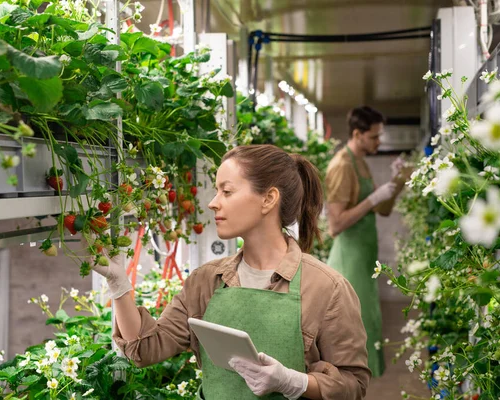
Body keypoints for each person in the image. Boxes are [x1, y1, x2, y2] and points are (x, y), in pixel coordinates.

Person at [91, 145, 370, 400]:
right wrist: (118, 285)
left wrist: (292, 381)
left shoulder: (326, 288)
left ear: (268, 199)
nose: (213, 202)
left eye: (227, 191)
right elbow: (145, 349)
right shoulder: (207, 281)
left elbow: (353, 386)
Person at [325, 106, 410, 378]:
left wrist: (397, 182)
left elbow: (382, 210)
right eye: (374, 137)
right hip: (349, 258)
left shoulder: (360, 161)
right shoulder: (342, 166)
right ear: (357, 134)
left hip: (364, 258)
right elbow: (336, 224)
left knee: (367, 322)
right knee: (352, 329)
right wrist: (372, 199)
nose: (378, 142)